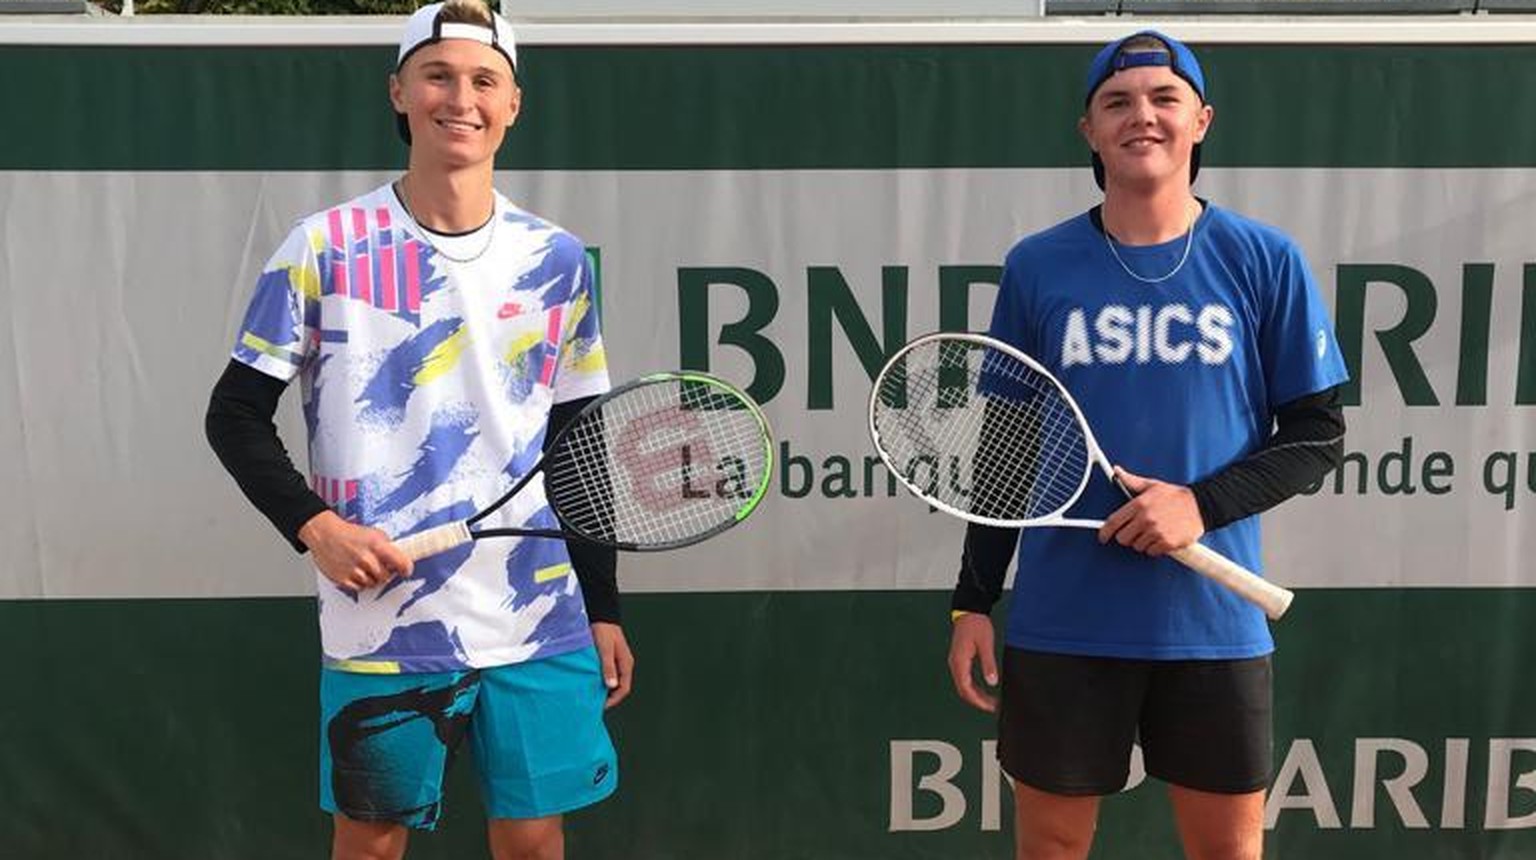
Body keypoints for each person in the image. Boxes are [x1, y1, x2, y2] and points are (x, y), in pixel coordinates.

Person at [204, 3, 632, 857]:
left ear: (514, 103)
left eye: (484, 80)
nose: (459, 98)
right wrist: (316, 529)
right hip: (381, 621)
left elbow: (578, 442)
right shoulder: (322, 246)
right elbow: (234, 414)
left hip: (538, 613)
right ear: (399, 92)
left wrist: (605, 606)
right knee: (370, 843)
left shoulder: (557, 260)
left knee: (534, 841)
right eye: (438, 75)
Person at [946, 31, 1347, 860]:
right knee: (1051, 848)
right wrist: (972, 601)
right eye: (1118, 102)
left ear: (1201, 120)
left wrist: (1198, 505)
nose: (1143, 117)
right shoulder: (1038, 266)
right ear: (1089, 131)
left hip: (1213, 621)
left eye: (1165, 99)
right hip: (1064, 621)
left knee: (1227, 853)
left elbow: (1315, 434)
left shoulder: (1263, 260)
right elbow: (1006, 452)